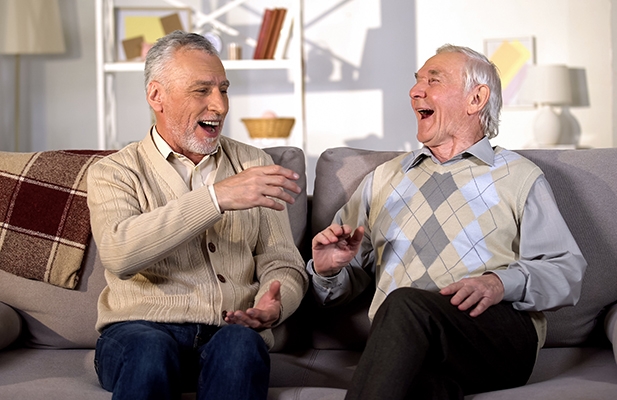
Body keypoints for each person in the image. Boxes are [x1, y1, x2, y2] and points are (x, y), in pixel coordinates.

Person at [309, 44, 587, 399]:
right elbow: (338, 288)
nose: (414, 91)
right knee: (417, 385)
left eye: (433, 80)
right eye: (416, 81)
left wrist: (500, 283)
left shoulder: (519, 176)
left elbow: (567, 272)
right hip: (405, 342)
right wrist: (328, 271)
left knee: (403, 303)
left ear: (476, 99)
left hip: (495, 334)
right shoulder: (383, 180)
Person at [87, 30, 308, 400]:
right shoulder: (114, 171)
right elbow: (118, 253)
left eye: (224, 89)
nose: (220, 105)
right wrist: (216, 198)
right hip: (138, 330)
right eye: (202, 90)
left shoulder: (253, 163)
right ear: (157, 96)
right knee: (149, 352)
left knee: (241, 347)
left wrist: (276, 304)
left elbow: (283, 261)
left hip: (228, 330)